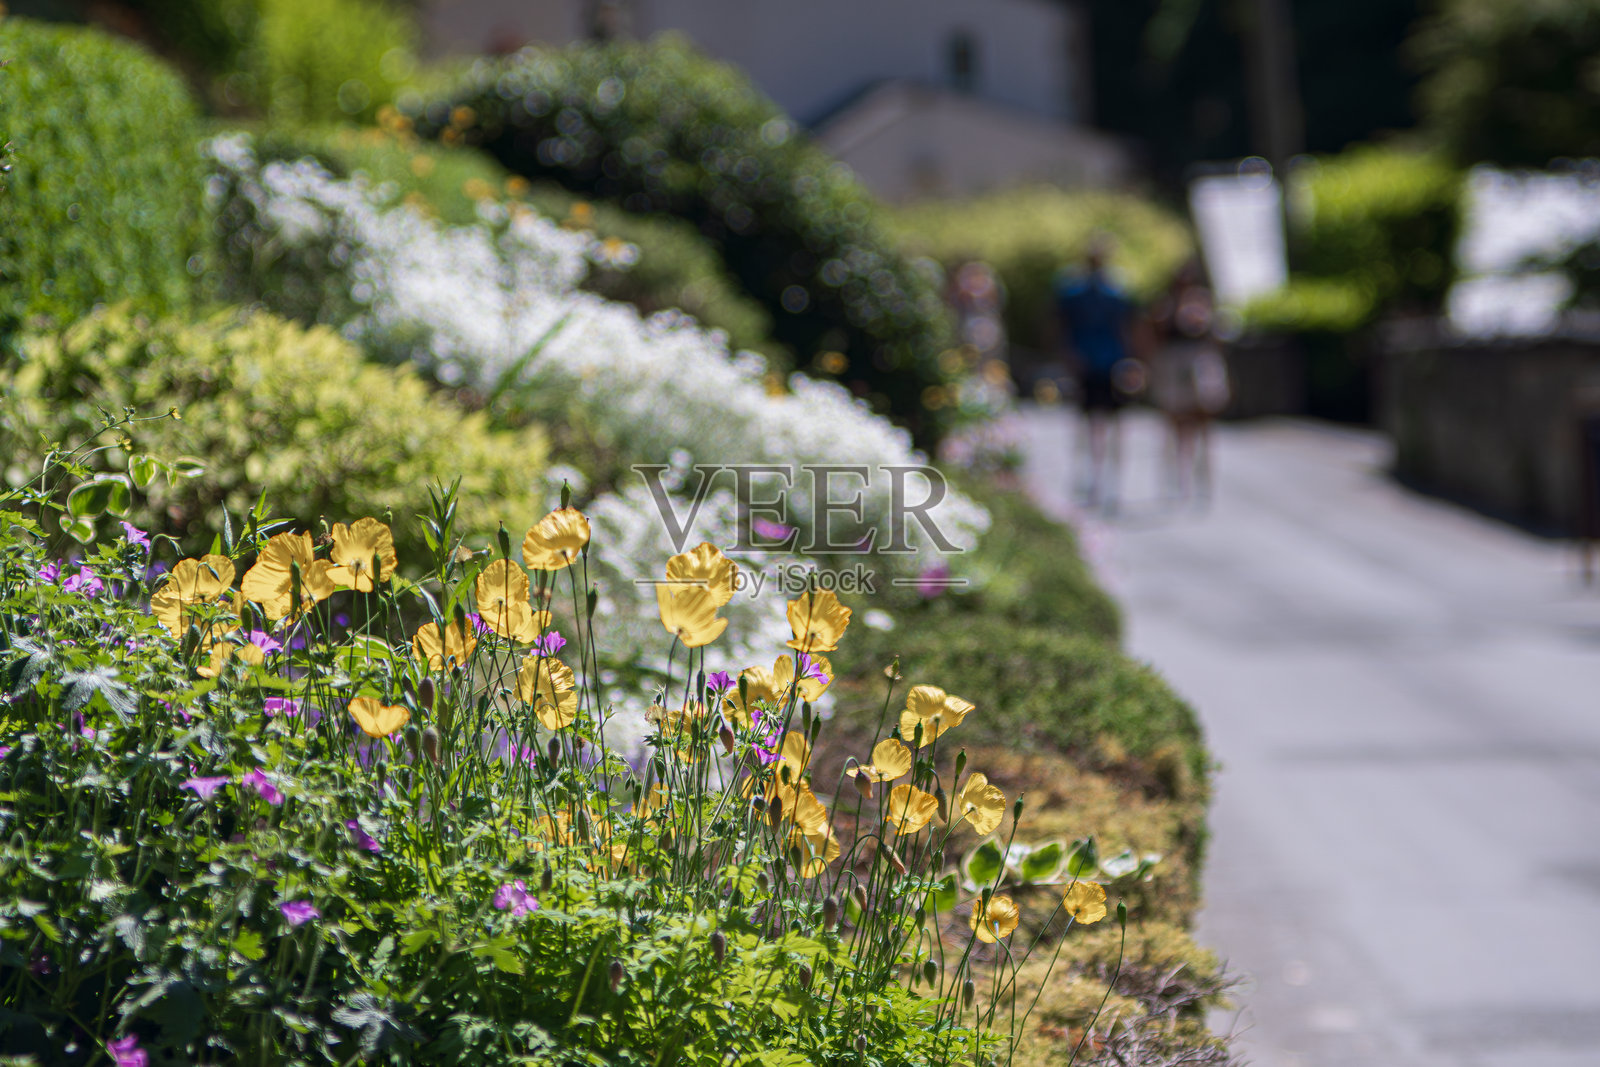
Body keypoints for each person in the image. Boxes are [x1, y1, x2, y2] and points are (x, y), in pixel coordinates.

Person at [1055, 240, 1139, 511]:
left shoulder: (1117, 289)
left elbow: (1128, 326)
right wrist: (1068, 355)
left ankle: (1112, 482)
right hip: (1086, 363)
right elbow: (1062, 325)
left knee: (1115, 424)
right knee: (1088, 423)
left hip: (1112, 362)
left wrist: (1131, 361)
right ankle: (1091, 477)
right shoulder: (1073, 290)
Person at [1149, 260, 1230, 506]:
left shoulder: (1203, 302)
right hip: (1174, 369)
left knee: (1203, 427)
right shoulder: (1165, 306)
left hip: (1200, 369)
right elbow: (1154, 337)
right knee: (1176, 427)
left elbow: (1217, 335)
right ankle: (1178, 479)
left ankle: (1203, 480)